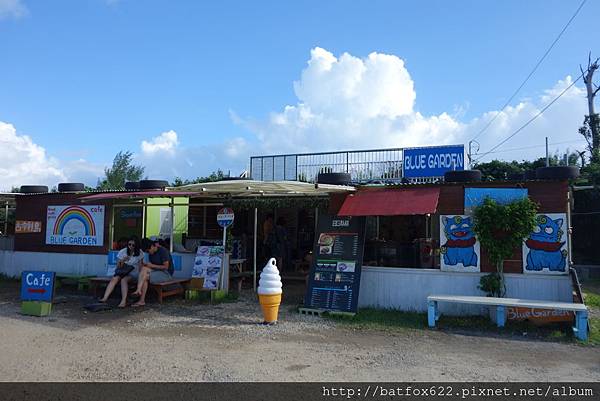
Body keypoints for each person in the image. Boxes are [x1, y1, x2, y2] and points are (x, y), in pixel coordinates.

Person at [99, 236, 144, 308]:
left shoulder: (140, 253)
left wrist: (140, 277)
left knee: (124, 280)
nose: (131, 246)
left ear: (136, 245)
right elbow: (118, 267)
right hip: (123, 271)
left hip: (133, 273)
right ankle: (105, 297)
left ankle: (123, 301)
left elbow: (140, 266)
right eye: (129, 244)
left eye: (133, 245)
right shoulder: (123, 252)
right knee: (115, 278)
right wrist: (123, 260)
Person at [131, 237, 174, 306]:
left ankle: (141, 298)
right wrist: (145, 265)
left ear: (152, 246)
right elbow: (152, 266)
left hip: (166, 273)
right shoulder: (151, 253)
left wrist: (152, 265)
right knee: (144, 269)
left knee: (145, 277)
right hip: (157, 271)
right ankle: (139, 291)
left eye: (148, 251)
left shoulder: (163, 251)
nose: (148, 252)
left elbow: (166, 267)